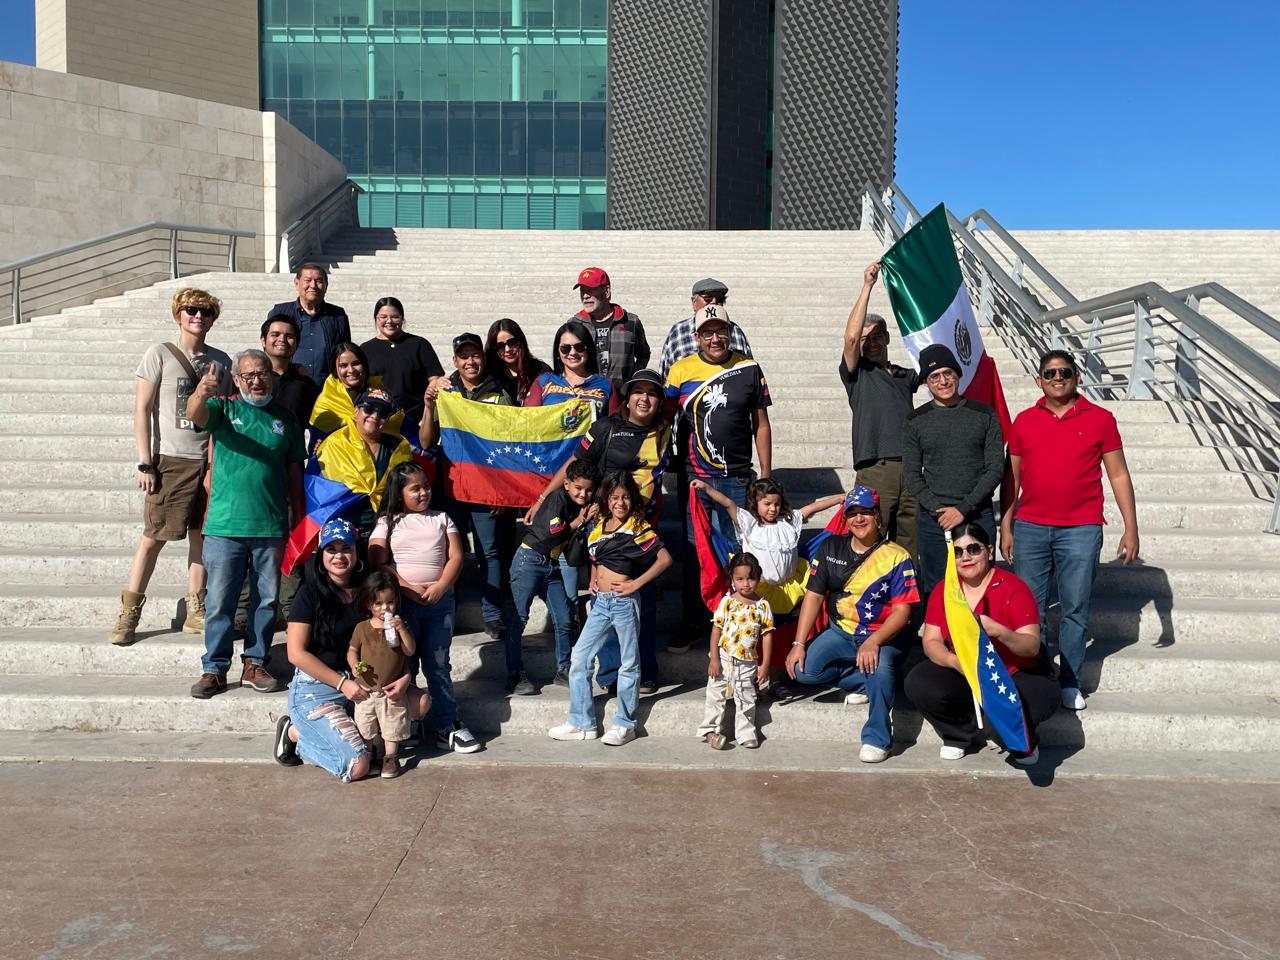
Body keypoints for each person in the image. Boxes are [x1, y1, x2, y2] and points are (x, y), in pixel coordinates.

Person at [1000, 350, 1140, 712]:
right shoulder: (1025, 420)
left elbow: (1119, 474)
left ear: (1077, 377)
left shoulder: (1101, 419)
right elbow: (1011, 478)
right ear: (1039, 381)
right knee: (1030, 610)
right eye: (1049, 373)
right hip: (1030, 527)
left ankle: (1070, 681)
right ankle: (1039, 678)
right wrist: (1006, 523)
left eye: (1064, 372)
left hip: (1080, 528)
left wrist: (1130, 528)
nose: (1057, 378)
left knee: (1075, 608)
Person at [527, 369, 673, 691]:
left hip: (643, 528)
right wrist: (542, 498)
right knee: (607, 601)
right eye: (638, 391)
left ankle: (644, 670)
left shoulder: (665, 432)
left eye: (652, 393)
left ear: (660, 401)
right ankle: (609, 675)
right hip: (608, 529)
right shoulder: (606, 427)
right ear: (628, 397)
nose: (644, 398)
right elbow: (572, 464)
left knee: (642, 602)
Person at [109, 287, 232, 646]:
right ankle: (130, 612)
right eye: (192, 310)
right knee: (154, 537)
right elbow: (142, 410)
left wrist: (214, 462)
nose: (199, 316)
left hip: (206, 459)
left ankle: (197, 608)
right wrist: (145, 463)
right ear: (179, 314)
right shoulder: (159, 354)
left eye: (206, 311)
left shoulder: (221, 361)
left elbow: (221, 416)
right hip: (170, 460)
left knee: (201, 536)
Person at [186, 349, 305, 699]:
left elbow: (294, 474)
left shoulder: (286, 419)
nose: (257, 380)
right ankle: (214, 668)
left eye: (263, 373)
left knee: (267, 600)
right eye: (249, 374)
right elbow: (195, 414)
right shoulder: (223, 409)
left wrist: (298, 519)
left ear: (273, 377)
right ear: (237, 379)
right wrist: (201, 392)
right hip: (224, 526)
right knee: (221, 601)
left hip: (270, 527)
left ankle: (255, 662)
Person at [274, 520, 429, 781]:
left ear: (357, 552)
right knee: (358, 766)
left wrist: (404, 678)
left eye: (345, 548)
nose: (339, 556)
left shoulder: (370, 592)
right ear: (320, 554)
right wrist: (343, 684)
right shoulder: (309, 594)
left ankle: (353, 730)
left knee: (420, 702)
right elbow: (296, 654)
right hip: (320, 687)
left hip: (366, 681)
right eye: (331, 549)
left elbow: (393, 645)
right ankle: (295, 733)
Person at [784, 486, 919, 763]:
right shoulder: (830, 546)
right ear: (845, 518)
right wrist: (798, 644)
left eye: (866, 512)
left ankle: (877, 737)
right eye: (852, 513)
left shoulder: (898, 556)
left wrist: (873, 641)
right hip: (841, 632)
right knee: (802, 671)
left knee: (880, 670)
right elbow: (813, 595)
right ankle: (864, 683)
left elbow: (903, 612)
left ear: (877, 516)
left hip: (884, 637)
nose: (859, 519)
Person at [905, 524, 1058, 765]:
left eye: (973, 549)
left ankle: (1022, 740)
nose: (965, 557)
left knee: (1001, 727)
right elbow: (931, 641)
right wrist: (955, 662)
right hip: (967, 671)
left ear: (989, 551)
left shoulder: (1013, 587)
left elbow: (1030, 647)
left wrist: (998, 631)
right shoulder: (945, 590)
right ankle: (958, 735)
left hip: (1016, 673)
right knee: (919, 681)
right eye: (957, 552)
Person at [666, 304, 772, 648]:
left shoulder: (749, 367)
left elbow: (762, 425)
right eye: (707, 332)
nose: (715, 338)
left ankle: (735, 622)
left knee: (736, 553)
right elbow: (664, 421)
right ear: (696, 337)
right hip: (695, 478)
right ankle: (694, 620)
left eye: (721, 331)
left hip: (737, 479)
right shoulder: (680, 370)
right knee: (696, 551)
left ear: (730, 332)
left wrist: (766, 477)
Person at [548, 471, 673, 746]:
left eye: (626, 497)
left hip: (624, 602)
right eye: (615, 497)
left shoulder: (638, 526)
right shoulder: (599, 523)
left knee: (629, 664)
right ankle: (582, 723)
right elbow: (595, 555)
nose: (620, 502)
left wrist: (636, 584)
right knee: (579, 659)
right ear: (607, 498)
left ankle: (625, 724)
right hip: (600, 603)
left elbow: (664, 559)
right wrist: (593, 577)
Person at [368, 461, 480, 755]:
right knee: (405, 663)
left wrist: (441, 586)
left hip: (439, 603)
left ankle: (447, 723)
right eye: (414, 488)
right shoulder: (387, 522)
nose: (423, 493)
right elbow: (378, 561)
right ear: (399, 492)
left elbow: (456, 556)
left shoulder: (442, 518)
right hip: (403, 603)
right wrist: (405, 587)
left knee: (438, 663)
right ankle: (410, 720)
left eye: (426, 487)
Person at [420, 333, 517, 641]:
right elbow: (425, 441)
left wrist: (504, 491)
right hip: (451, 487)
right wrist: (427, 404)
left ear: (483, 359)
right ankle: (452, 609)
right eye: (464, 356)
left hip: (487, 488)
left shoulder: (500, 393)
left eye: (475, 355)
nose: (470, 361)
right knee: (453, 551)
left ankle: (493, 614)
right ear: (455, 361)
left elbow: (511, 446)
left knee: (490, 551)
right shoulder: (445, 393)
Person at [902, 344, 1005, 599]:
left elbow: (995, 467)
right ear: (926, 382)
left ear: (958, 375)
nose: (943, 381)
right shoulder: (916, 420)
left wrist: (963, 508)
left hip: (977, 513)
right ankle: (941, 639)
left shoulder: (984, 414)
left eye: (948, 373)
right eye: (934, 376)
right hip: (934, 520)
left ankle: (980, 638)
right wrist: (940, 511)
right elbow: (913, 474)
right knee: (938, 590)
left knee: (981, 586)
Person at [839, 261, 921, 556]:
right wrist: (867, 286)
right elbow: (849, 338)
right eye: (865, 339)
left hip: (911, 468)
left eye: (876, 337)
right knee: (870, 542)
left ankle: (907, 600)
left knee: (907, 548)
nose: (869, 343)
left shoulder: (904, 375)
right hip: (876, 468)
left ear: (887, 338)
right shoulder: (857, 374)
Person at [507, 460, 599, 694]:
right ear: (566, 484)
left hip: (552, 565)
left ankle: (563, 669)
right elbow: (552, 532)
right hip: (529, 561)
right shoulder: (558, 498)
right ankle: (514, 674)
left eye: (588, 490)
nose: (583, 493)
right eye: (578, 488)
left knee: (565, 617)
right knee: (519, 619)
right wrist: (579, 522)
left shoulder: (578, 504)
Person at [314, 387, 412, 540]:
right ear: (356, 411)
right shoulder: (333, 444)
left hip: (388, 530)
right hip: (343, 531)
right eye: (368, 408)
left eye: (383, 413)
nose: (374, 415)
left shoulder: (399, 447)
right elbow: (319, 491)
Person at [698, 553, 774, 750]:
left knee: (746, 697)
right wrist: (714, 658)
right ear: (732, 579)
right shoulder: (727, 603)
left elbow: (767, 636)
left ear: (758, 578)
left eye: (751, 578)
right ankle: (710, 730)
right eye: (739, 579)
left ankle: (746, 733)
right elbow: (716, 629)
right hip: (723, 658)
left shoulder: (763, 606)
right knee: (715, 695)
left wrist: (764, 665)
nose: (746, 584)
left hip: (748, 661)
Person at [347, 570, 418, 779]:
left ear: (396, 602)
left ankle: (390, 757)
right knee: (365, 723)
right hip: (366, 690)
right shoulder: (362, 628)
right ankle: (368, 753)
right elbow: (352, 650)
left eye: (389, 602)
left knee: (392, 723)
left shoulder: (399, 625)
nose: (384, 608)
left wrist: (402, 630)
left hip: (391, 689)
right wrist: (354, 664)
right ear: (369, 604)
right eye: (378, 603)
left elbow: (410, 650)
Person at [360, 296, 444, 444]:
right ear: (375, 319)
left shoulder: (419, 344)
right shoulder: (365, 349)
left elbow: (435, 380)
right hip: (379, 422)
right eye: (383, 317)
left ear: (402, 318)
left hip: (415, 423)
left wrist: (425, 418)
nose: (389, 321)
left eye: (395, 317)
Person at [268, 262, 350, 381]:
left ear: (326, 285)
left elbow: (345, 351)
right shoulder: (280, 312)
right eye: (307, 280)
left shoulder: (337, 316)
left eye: (319, 281)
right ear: (297, 283)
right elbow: (269, 349)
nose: (313, 285)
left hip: (326, 389)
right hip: (288, 385)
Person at [656, 278, 752, 379]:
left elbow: (749, 370)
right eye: (707, 299)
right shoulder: (678, 332)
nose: (714, 303)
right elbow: (665, 374)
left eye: (719, 300)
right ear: (694, 303)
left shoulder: (735, 331)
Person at [571, 266, 650, 389]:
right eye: (582, 290)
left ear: (606, 291)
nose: (585, 296)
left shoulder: (630, 322)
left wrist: (632, 380)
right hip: (585, 397)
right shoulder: (574, 324)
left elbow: (643, 354)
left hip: (620, 400)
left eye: (590, 290)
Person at [310, 341, 405, 441]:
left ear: (364, 365)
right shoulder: (326, 402)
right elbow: (317, 446)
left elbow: (402, 426)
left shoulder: (381, 393)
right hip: (340, 455)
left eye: (356, 363)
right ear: (335, 370)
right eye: (343, 365)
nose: (351, 370)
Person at [524, 319, 613, 417]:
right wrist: (564, 409)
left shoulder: (606, 384)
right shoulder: (543, 381)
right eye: (565, 348)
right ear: (558, 351)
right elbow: (529, 420)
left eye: (579, 347)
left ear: (589, 349)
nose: (573, 353)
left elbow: (615, 425)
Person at [261, 313, 322, 436]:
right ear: (263, 341)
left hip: (291, 453)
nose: (282, 339)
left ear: (297, 344)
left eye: (289, 336)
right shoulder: (248, 378)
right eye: (275, 335)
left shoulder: (305, 385)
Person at [485, 318, 549, 406]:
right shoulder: (489, 375)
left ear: (521, 341)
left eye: (512, 342)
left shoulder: (541, 371)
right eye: (500, 346)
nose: (508, 349)